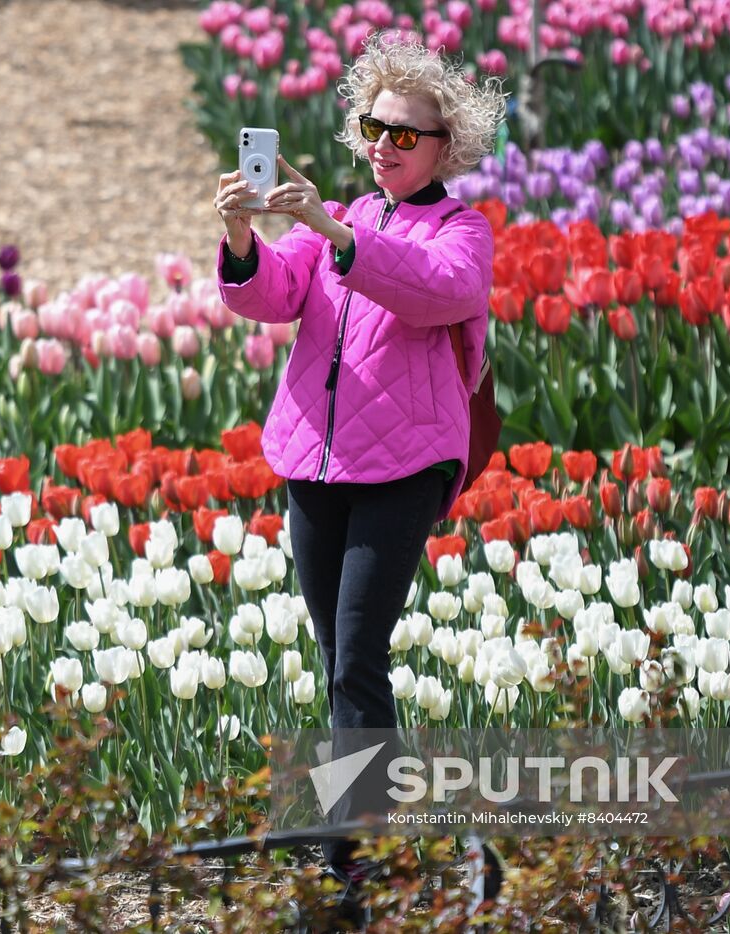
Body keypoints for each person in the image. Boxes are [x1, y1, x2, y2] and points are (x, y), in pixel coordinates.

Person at [212, 30, 506, 923]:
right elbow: (267, 298)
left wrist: (333, 231)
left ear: (445, 147)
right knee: (339, 658)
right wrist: (239, 231)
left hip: (405, 465)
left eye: (406, 135)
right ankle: (369, 850)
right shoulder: (337, 221)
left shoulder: (461, 231)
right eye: (376, 128)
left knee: (360, 656)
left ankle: (356, 868)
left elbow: (435, 292)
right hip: (316, 460)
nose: (385, 145)